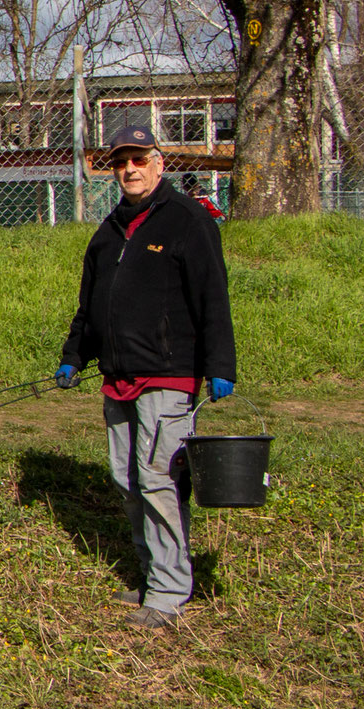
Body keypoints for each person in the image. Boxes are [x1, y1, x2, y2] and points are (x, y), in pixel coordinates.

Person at [58, 123, 237, 628]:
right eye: (121, 162)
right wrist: (75, 354)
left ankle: (169, 591)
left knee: (159, 479)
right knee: (127, 478)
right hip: (118, 374)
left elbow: (213, 298)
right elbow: (91, 306)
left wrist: (220, 365)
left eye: (138, 159)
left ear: (159, 163)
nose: (130, 169)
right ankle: (153, 572)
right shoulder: (109, 229)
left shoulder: (187, 220)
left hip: (168, 374)